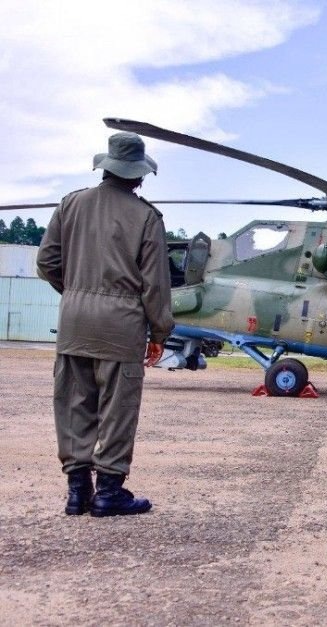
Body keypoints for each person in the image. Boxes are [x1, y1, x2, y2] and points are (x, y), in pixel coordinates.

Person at [36, 131, 174, 517]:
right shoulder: (147, 217)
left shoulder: (70, 204)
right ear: (139, 175)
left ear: (107, 167)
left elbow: (46, 262)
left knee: (74, 405)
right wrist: (160, 332)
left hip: (74, 322)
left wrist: (78, 291)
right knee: (117, 408)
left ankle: (77, 491)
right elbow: (155, 286)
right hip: (122, 326)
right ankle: (108, 491)